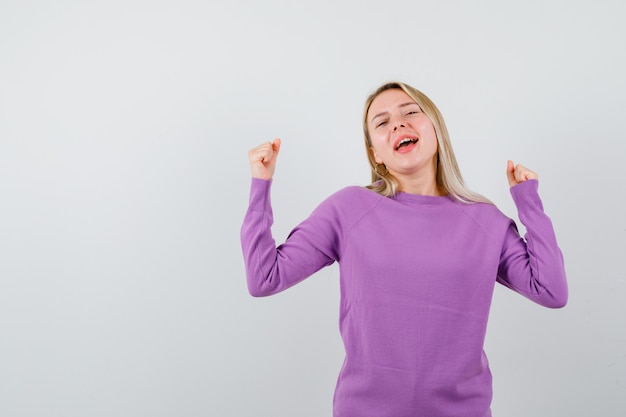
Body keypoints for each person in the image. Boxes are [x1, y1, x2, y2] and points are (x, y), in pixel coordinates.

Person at [240, 81, 568, 417]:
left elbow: (551, 290)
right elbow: (265, 278)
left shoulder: (486, 220)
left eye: (411, 112)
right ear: (375, 154)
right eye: (382, 122)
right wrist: (260, 184)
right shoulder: (348, 209)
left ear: (436, 130)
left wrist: (529, 202)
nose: (398, 124)